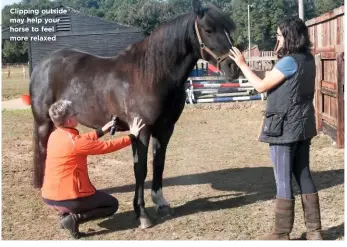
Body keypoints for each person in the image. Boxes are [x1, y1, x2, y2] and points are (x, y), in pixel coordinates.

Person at [228, 17, 322, 240]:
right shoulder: (307, 59)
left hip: (283, 129)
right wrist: (248, 69)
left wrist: (242, 64)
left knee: (282, 180)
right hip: (303, 126)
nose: (276, 39)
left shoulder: (288, 61)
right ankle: (315, 231)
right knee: (304, 175)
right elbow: (271, 79)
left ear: (288, 37)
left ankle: (281, 233)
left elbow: (261, 85)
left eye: (279, 35)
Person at [41, 100, 145, 239]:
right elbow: (106, 146)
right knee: (112, 205)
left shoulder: (55, 135)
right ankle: (74, 219)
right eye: (74, 114)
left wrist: (102, 130)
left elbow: (81, 140)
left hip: (49, 197)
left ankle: (64, 214)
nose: (77, 115)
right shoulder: (76, 143)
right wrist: (132, 136)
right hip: (68, 198)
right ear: (69, 120)